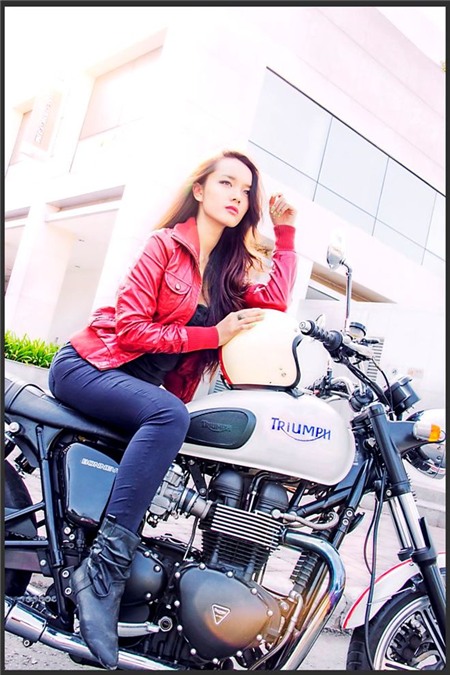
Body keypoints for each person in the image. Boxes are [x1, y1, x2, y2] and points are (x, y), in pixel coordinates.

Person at [48, 149, 298, 669]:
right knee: (170, 416)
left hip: (136, 390)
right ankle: (103, 574)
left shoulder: (227, 275)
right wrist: (211, 334)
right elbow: (130, 329)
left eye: (246, 190)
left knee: (175, 429)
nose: (237, 195)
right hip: (92, 366)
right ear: (200, 190)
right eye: (226, 183)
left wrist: (286, 232)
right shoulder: (164, 245)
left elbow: (271, 303)